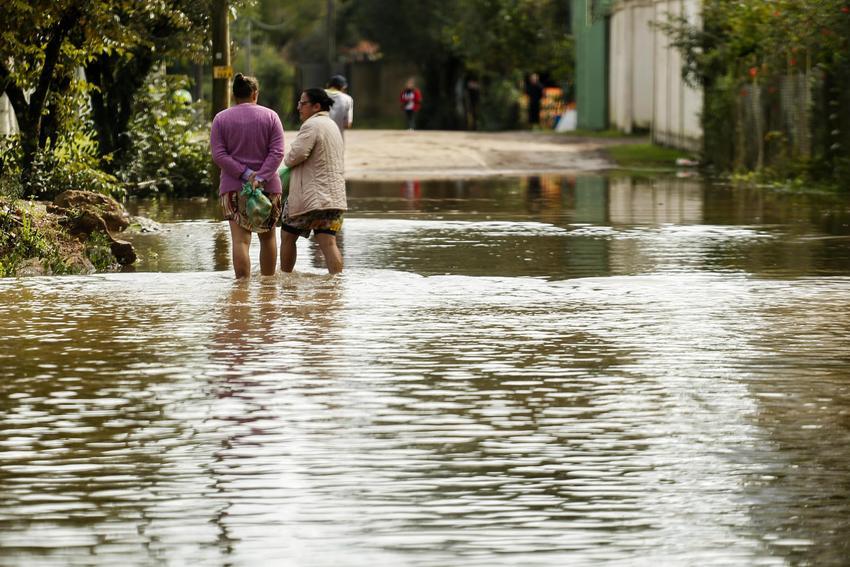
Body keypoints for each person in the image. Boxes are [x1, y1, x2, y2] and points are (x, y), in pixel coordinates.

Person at [210, 73, 285, 279]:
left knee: (240, 241)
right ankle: (268, 289)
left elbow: (219, 155)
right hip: (268, 187)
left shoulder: (221, 119)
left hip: (233, 187)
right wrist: (260, 177)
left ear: (234, 95)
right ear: (255, 94)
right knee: (268, 239)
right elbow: (277, 152)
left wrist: (245, 173)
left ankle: (241, 290)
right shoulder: (271, 117)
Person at [280, 88, 346, 275]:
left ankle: (285, 281)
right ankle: (336, 285)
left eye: (303, 103)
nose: (298, 107)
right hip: (333, 198)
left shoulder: (312, 125)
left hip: (310, 198)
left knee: (287, 236)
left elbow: (295, 156)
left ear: (316, 106)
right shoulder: (332, 125)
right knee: (328, 242)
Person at [325, 74, 354, 138]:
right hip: (337, 140)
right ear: (343, 87)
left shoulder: (318, 94)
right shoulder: (347, 99)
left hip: (317, 140)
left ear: (327, 85)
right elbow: (347, 124)